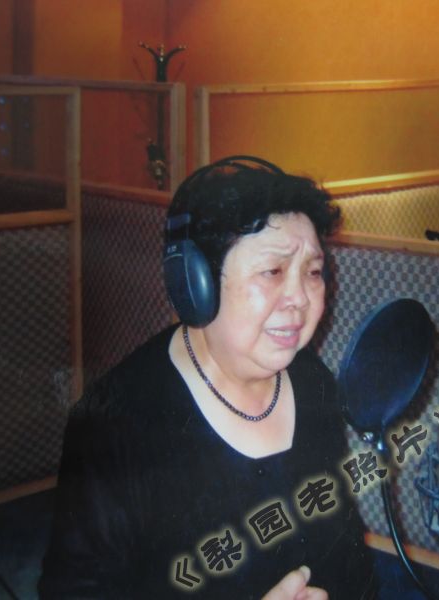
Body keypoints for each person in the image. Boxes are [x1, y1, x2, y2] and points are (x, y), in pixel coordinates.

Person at [38, 156, 378, 598]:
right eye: (272, 271)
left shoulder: (313, 383)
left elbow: (346, 551)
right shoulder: (115, 421)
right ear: (195, 284)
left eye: (313, 272)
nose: (299, 297)